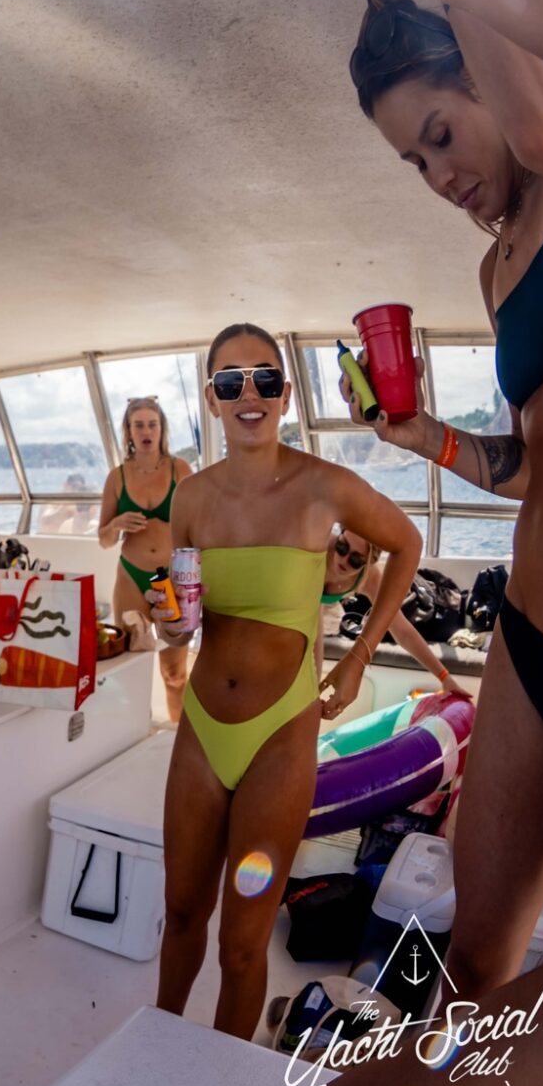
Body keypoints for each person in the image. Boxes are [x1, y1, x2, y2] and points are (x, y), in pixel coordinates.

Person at [133, 0, 543, 1030]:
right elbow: (529, 467)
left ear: (487, 74)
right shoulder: (496, 277)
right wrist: (418, 430)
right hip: (532, 638)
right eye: (407, 162)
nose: (435, 176)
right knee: (476, 962)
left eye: (438, 133)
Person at [147, 324, 421, 1043]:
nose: (250, 394)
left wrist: (360, 655)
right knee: (180, 914)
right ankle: (153, 1059)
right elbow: (184, 615)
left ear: (286, 394)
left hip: (280, 738)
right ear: (211, 399)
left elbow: (406, 543)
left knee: (243, 944)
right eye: (231, 382)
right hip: (203, 734)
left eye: (265, 379)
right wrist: (169, 629)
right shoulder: (190, 501)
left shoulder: (323, 487)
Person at [97, 397, 197, 718]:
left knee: (175, 675)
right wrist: (116, 524)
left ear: (161, 429)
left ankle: (173, 746)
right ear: (128, 432)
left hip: (171, 580)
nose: (146, 431)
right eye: (138, 424)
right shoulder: (117, 477)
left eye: (152, 424)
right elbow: (103, 540)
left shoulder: (179, 469)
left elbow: (199, 524)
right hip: (130, 576)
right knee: (126, 673)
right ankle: (127, 739)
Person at [318, 525, 470, 699]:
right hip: (298, 604)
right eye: (342, 547)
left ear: (370, 561)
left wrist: (445, 678)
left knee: (310, 695)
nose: (344, 560)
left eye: (355, 560)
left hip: (313, 610)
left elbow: (402, 630)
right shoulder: (319, 547)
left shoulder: (368, 577)